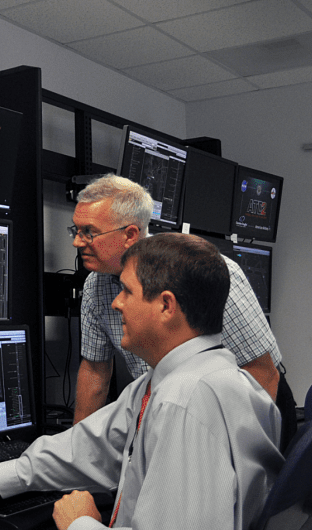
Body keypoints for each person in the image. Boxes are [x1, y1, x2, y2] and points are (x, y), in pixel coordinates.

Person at [0, 233, 284, 530]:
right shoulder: (191, 376)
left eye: (127, 291)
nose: (116, 302)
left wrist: (81, 526)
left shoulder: (185, 402)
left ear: (166, 306)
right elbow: (91, 444)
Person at [69, 174, 287, 430]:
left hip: (250, 411)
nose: (77, 242)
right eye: (76, 230)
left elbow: (261, 373)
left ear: (130, 235)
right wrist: (75, 447)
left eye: (89, 233)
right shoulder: (96, 287)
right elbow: (95, 371)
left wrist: (245, 456)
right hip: (171, 410)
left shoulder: (205, 272)